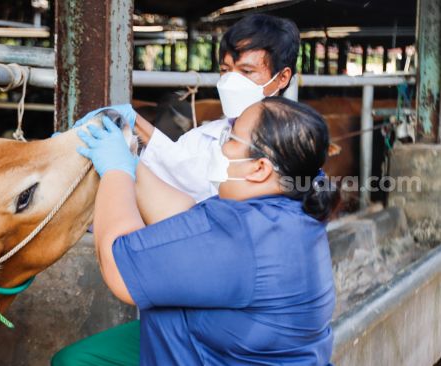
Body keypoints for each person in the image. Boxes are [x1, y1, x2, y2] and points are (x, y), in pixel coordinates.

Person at [52, 97, 338, 365]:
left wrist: (115, 170)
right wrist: (132, 164)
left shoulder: (245, 234)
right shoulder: (286, 211)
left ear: (260, 169)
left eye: (231, 138)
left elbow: (117, 265)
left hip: (209, 352)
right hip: (211, 342)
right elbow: (188, 219)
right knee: (75, 359)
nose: (220, 145)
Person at [73, 14, 301, 203]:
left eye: (247, 72)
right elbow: (178, 165)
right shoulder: (208, 134)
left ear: (282, 78)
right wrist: (133, 122)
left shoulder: (297, 143)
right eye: (225, 70)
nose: (231, 81)